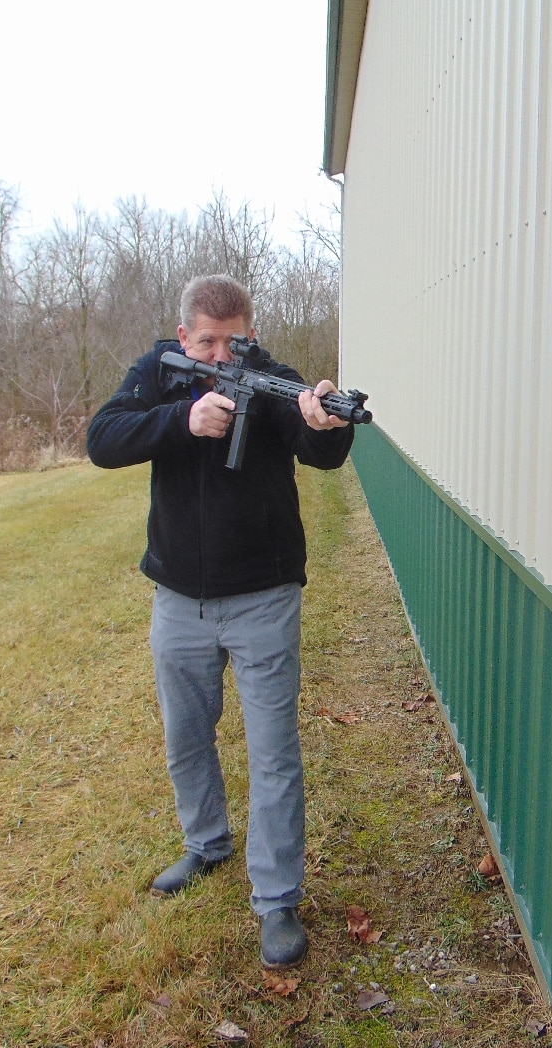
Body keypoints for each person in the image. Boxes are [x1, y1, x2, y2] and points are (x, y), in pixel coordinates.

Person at [86, 274, 354, 969]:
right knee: (185, 736)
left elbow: (314, 443)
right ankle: (206, 845)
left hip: (263, 596)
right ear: (183, 337)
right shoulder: (156, 373)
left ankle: (277, 901)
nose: (220, 355)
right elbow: (102, 439)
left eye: (234, 341)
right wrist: (182, 421)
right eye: (206, 342)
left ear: (251, 332)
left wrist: (326, 421)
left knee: (273, 754)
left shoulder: (270, 377)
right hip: (178, 599)